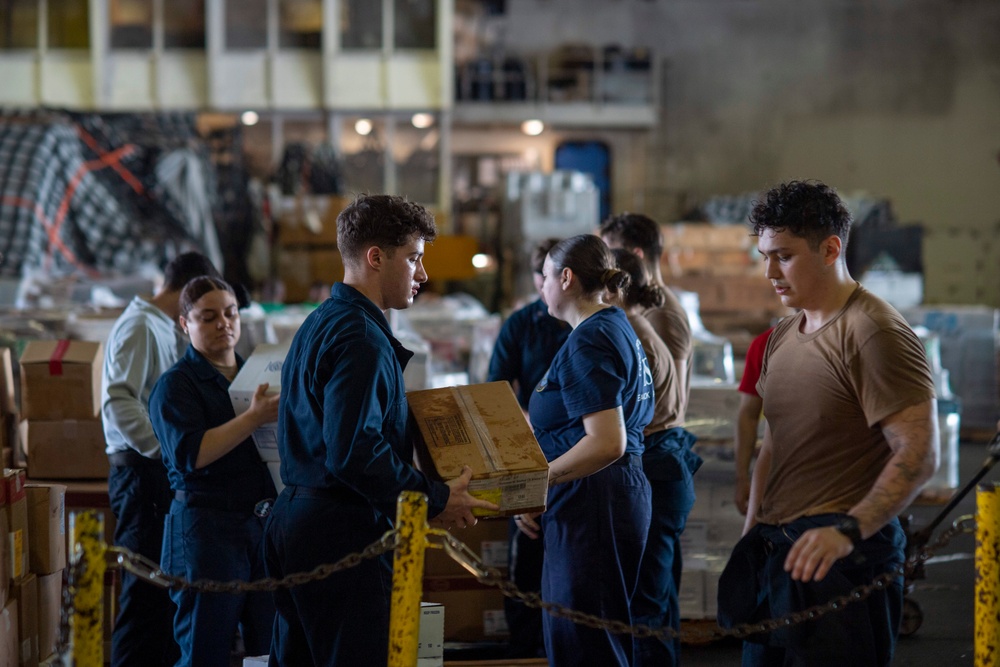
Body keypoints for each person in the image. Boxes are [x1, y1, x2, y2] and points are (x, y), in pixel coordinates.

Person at [262, 194, 497, 667]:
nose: (423, 275)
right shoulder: (361, 339)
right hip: (342, 533)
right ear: (376, 257)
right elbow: (354, 451)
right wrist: (434, 497)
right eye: (413, 258)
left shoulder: (320, 322)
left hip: (297, 521)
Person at [719, 180, 938, 666]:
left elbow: (919, 452)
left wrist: (848, 531)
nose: (770, 272)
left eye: (784, 256)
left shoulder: (872, 332)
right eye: (764, 256)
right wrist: (751, 533)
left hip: (843, 558)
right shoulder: (782, 336)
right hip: (779, 553)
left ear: (830, 249)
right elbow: (772, 446)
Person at [515, 234, 654, 666]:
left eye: (546, 278)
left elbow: (607, 441)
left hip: (594, 500)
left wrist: (539, 481)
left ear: (567, 278)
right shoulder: (612, 324)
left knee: (585, 644)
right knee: (593, 636)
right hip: (604, 496)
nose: (542, 287)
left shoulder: (589, 340)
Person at [149, 276, 279, 667]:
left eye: (230, 313)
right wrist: (254, 418)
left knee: (268, 650)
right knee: (204, 651)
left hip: (259, 525)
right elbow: (192, 454)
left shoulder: (256, 377)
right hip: (205, 532)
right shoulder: (175, 387)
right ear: (184, 324)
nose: (224, 323)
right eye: (208, 317)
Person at [101, 251, 221, 667]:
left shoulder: (156, 325)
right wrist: (166, 450)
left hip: (155, 475)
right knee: (144, 603)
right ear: (188, 290)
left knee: (162, 603)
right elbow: (117, 401)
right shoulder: (139, 327)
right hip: (140, 476)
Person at [600, 214, 701, 666]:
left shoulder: (656, 317)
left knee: (647, 601)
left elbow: (661, 401)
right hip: (657, 453)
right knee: (655, 595)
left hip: (657, 453)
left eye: (607, 259)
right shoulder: (649, 313)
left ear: (632, 258)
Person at [486, 238, 570, 660]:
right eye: (540, 276)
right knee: (526, 565)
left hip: (581, 458)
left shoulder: (588, 327)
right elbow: (495, 393)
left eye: (553, 276)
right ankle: (525, 651)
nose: (545, 285)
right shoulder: (520, 325)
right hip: (530, 453)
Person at [734, 326, 774, 515]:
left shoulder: (849, 337)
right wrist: (742, 477)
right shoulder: (766, 343)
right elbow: (748, 416)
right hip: (776, 475)